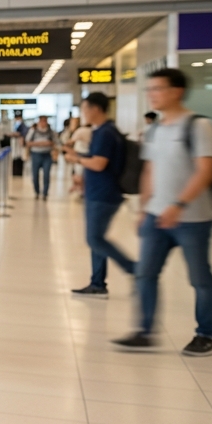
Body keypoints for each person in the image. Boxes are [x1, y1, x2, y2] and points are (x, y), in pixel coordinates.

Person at [113, 68, 212, 357]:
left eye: (157, 89)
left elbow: (207, 171)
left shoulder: (200, 126)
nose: (152, 95)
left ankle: (206, 335)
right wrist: (143, 208)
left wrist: (179, 205)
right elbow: (149, 170)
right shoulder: (154, 129)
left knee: (199, 278)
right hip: (156, 216)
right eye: (149, 90)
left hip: (193, 219)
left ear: (177, 91)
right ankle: (144, 331)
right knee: (145, 274)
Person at [67, 92, 134, 298]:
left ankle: (136, 270)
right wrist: (82, 176)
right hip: (97, 191)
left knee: (95, 239)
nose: (84, 113)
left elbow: (99, 163)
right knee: (96, 239)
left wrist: (77, 160)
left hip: (103, 194)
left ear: (96, 109)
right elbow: (96, 159)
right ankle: (97, 282)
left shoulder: (105, 133)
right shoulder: (102, 131)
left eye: (85, 109)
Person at [26, 115, 59, 199]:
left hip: (47, 155)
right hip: (36, 154)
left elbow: (55, 142)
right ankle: (37, 191)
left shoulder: (51, 131)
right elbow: (28, 142)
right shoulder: (33, 130)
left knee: (46, 174)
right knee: (35, 174)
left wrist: (47, 143)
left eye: (45, 121)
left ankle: (45, 193)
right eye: (42, 121)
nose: (44, 123)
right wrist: (42, 143)